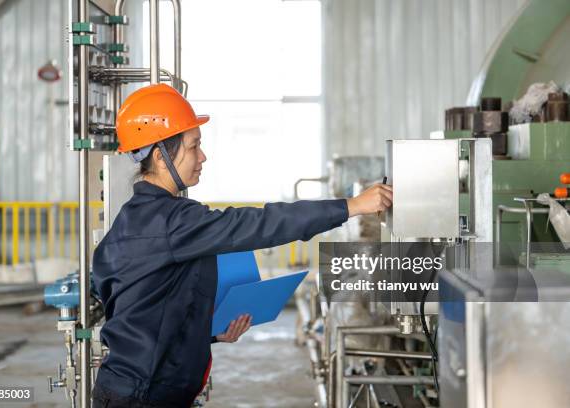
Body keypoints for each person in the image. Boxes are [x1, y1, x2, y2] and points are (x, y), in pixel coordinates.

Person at [91, 84, 393, 408]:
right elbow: (261, 224)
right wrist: (351, 206)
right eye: (194, 146)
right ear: (160, 157)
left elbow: (136, 304)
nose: (203, 156)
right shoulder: (170, 221)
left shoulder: (136, 218)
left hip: (138, 391)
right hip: (142, 398)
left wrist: (206, 331)